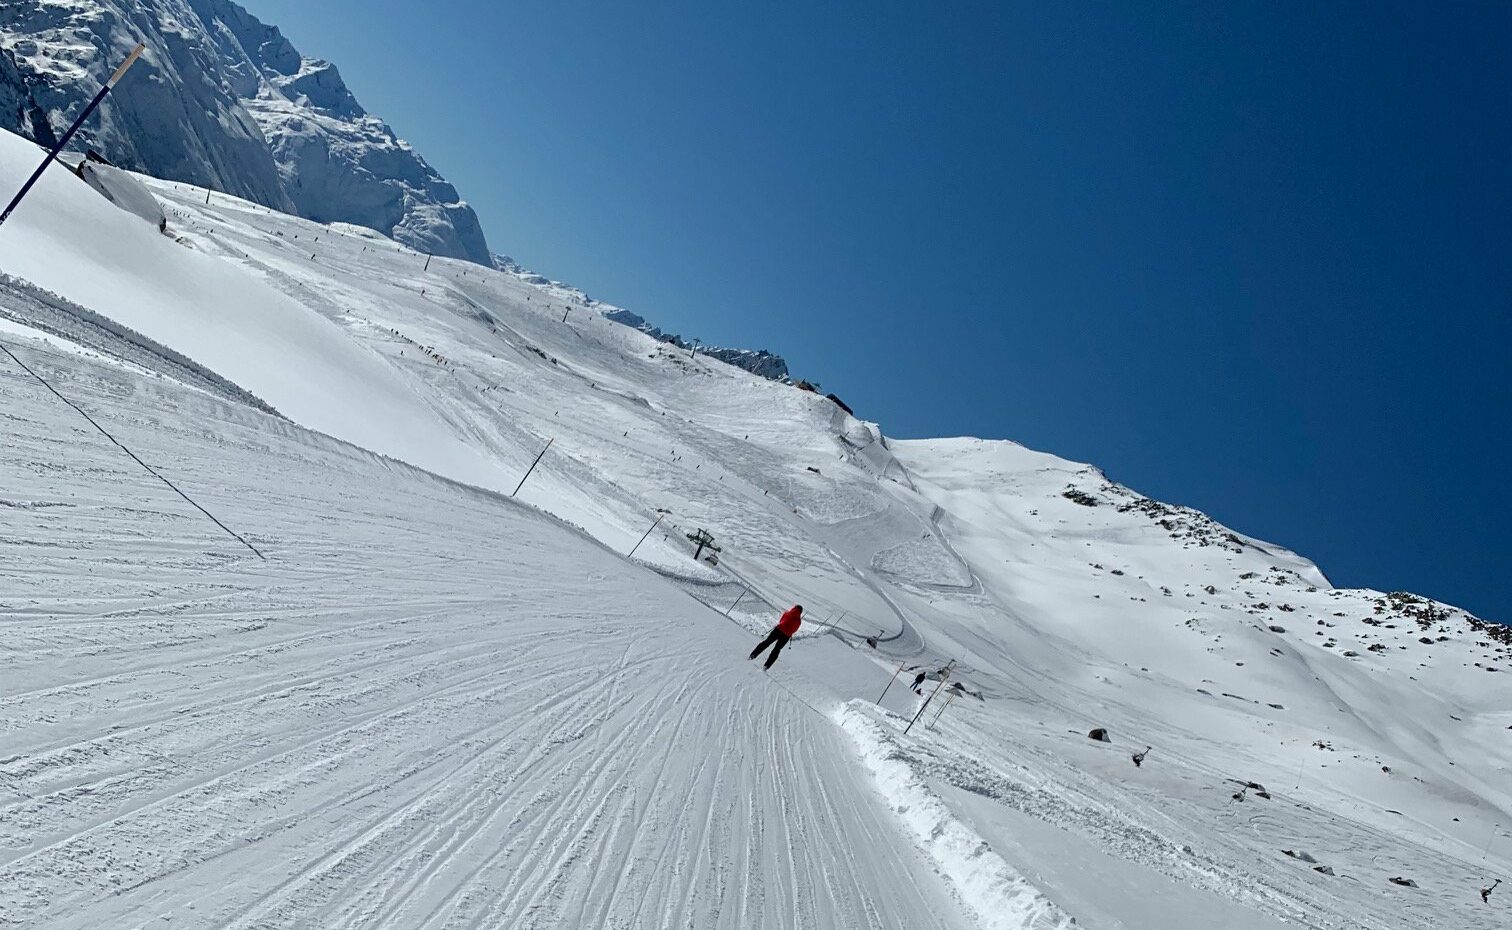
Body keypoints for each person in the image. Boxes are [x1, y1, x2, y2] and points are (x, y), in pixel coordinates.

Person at [749, 604, 803, 669]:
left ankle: (752, 655)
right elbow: (795, 629)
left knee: (766, 642)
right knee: (777, 649)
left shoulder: (787, 613)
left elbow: (781, 620)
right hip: (786, 636)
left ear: (794, 608)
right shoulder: (799, 621)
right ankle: (766, 666)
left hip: (778, 630)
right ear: (800, 612)